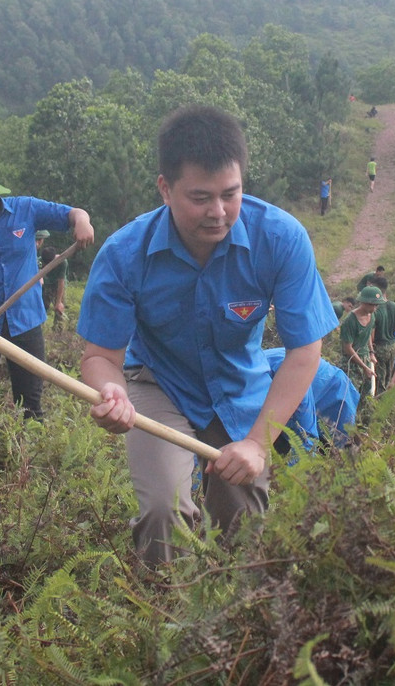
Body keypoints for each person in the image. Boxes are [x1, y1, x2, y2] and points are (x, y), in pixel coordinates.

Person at [77, 105, 336, 566]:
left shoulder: (281, 239)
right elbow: (100, 356)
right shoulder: (123, 255)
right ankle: (163, 615)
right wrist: (109, 390)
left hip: (238, 386)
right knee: (163, 511)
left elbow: (304, 352)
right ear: (165, 188)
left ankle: (235, 625)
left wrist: (257, 444)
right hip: (157, 383)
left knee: (245, 523)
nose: (218, 212)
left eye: (230, 194)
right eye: (200, 198)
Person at [0, 162, 94, 418]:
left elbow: (74, 213)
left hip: (26, 319)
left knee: (30, 401)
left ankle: (28, 452)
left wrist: (83, 222)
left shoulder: (26, 209)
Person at [340, 285, 381, 395]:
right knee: (351, 392)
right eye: (373, 305)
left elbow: (367, 335)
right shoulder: (350, 321)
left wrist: (371, 353)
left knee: (366, 391)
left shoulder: (371, 316)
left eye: (376, 305)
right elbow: (348, 348)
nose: (375, 308)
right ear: (364, 303)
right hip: (351, 362)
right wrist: (364, 367)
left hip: (365, 357)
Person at [39, 232, 69, 328]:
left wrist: (58, 302)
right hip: (46, 286)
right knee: (42, 308)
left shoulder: (62, 262)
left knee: (59, 311)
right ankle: (40, 328)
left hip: (58, 287)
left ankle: (58, 332)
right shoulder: (40, 260)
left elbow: (61, 283)